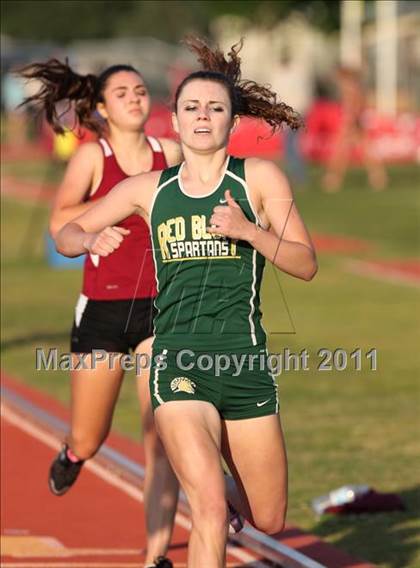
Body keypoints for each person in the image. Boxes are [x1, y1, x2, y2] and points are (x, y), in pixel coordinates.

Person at [54, 38, 318, 568]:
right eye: (191, 108)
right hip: (178, 362)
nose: (203, 116)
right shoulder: (148, 188)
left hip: (243, 364)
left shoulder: (260, 179)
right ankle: (199, 493)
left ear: (231, 120)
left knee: (268, 518)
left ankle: (214, 482)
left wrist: (249, 231)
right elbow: (68, 232)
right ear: (173, 122)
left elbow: (305, 263)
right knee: (209, 512)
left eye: (215, 108)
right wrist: (86, 241)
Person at [19, 59, 181, 568]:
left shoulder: (169, 153)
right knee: (92, 435)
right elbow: (60, 220)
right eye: (123, 93)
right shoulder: (93, 156)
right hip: (104, 312)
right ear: (102, 108)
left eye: (140, 90)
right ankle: (73, 455)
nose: (135, 98)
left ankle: (156, 556)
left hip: (162, 310)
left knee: (163, 437)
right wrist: (109, 215)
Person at [322, 66, 388, 192]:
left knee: (342, 151)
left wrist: (351, 120)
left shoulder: (349, 87)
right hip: (353, 121)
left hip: (351, 122)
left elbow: (355, 104)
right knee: (361, 150)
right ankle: (378, 177)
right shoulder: (352, 86)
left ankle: (333, 179)